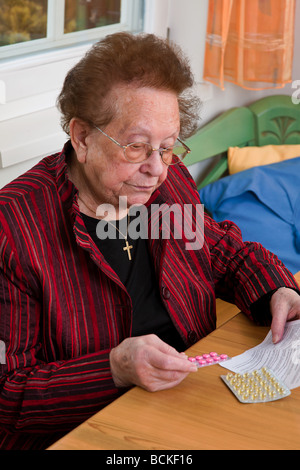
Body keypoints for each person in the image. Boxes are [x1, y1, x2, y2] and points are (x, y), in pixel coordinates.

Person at [0, 32, 299, 450]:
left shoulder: (170, 181)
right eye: (137, 147)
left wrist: (277, 289)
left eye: (168, 146)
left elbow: (221, 252)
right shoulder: (13, 227)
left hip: (189, 405)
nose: (157, 169)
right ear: (82, 137)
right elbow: (9, 393)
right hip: (91, 435)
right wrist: (114, 369)